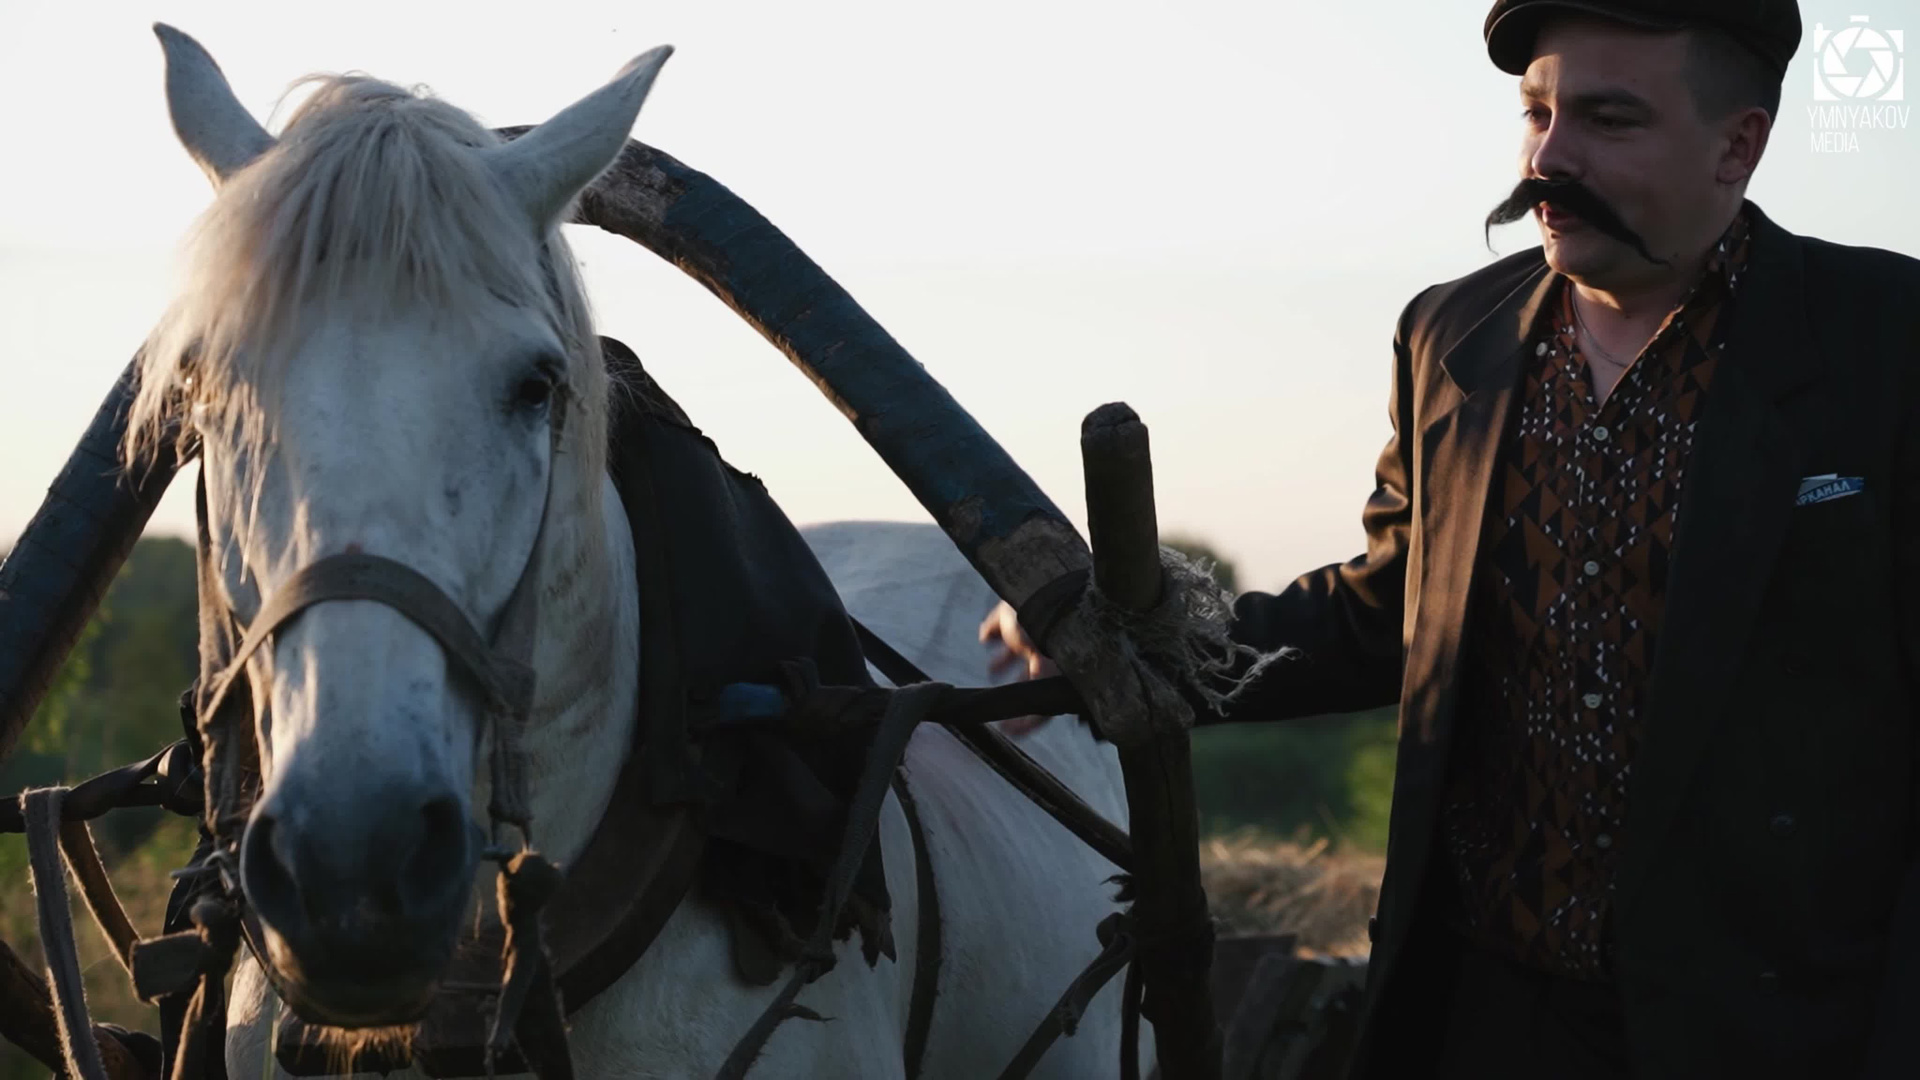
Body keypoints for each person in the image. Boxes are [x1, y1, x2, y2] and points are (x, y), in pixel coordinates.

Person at [982, 2, 1920, 1076]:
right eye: (1536, 112)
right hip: (1480, 1017)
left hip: (1777, 1029)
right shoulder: (1451, 335)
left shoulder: (1884, 343)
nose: (1551, 156)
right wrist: (1139, 629)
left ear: (1737, 145)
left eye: (1610, 120)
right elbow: (1388, 612)